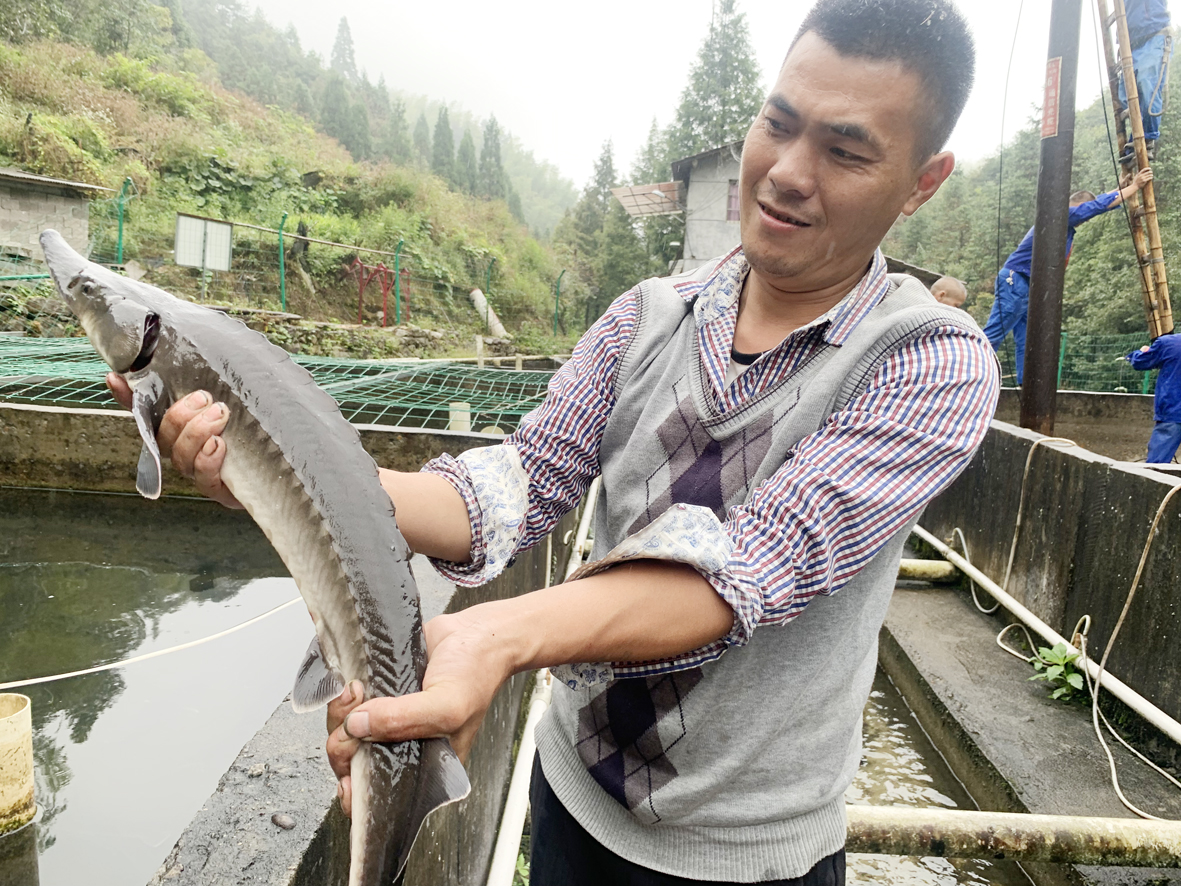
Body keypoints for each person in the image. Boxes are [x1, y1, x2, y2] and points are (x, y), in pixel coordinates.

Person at [113, 1, 998, 882]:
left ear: (924, 180)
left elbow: (748, 570)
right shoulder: (647, 318)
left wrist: (492, 638)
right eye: (777, 124)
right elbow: (514, 485)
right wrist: (272, 471)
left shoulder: (929, 362)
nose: (788, 173)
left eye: (845, 151)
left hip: (752, 859)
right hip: (571, 801)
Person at [983, 166, 1153, 385]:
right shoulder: (1060, 214)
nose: (1084, 220)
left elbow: (1096, 205)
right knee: (996, 331)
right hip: (1015, 280)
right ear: (1078, 207)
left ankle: (1027, 384)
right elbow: (1095, 207)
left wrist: (1120, 189)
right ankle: (969, 373)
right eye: (1084, 213)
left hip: (1028, 285)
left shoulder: (1065, 223)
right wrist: (1134, 186)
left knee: (1027, 341)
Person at [1119, 0, 1172, 160]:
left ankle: (1147, 139)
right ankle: (1136, 139)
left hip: (1154, 33)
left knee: (1148, 87)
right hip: (1131, 41)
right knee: (1124, 96)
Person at [1128, 333, 1181, 464]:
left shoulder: (1169, 343)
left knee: (1156, 468)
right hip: (1173, 411)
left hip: (1173, 410)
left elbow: (1140, 362)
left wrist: (1141, 352)